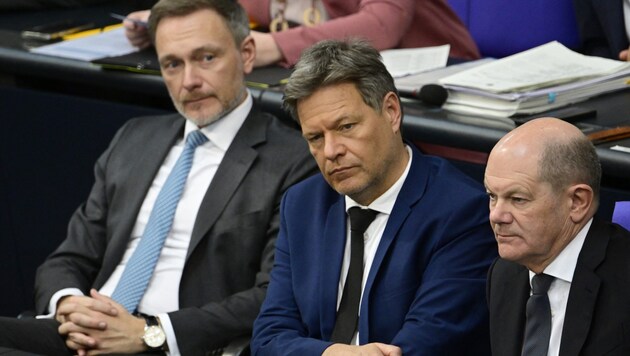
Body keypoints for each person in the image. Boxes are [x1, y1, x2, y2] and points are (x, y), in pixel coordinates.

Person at [0, 0, 316, 354]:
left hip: (172, 342)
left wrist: (152, 332)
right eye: (172, 64)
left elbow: (273, 293)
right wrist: (70, 305)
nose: (189, 81)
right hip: (84, 332)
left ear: (245, 54)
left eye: (206, 58)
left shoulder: (292, 160)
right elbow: (69, 257)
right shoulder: (135, 137)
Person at [250, 38, 497, 355]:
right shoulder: (302, 204)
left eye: (347, 126)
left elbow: (423, 344)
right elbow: (269, 338)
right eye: (315, 137)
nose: (331, 151)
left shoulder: (461, 212)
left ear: (391, 112)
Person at [485, 117, 630, 355]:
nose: (496, 216)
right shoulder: (504, 275)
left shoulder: (623, 281)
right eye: (492, 196)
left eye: (518, 199)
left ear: (577, 202)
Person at [123, 0, 480, 68]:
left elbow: (382, 24)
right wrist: (167, 19)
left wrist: (274, 45)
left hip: (431, 86)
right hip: (319, 75)